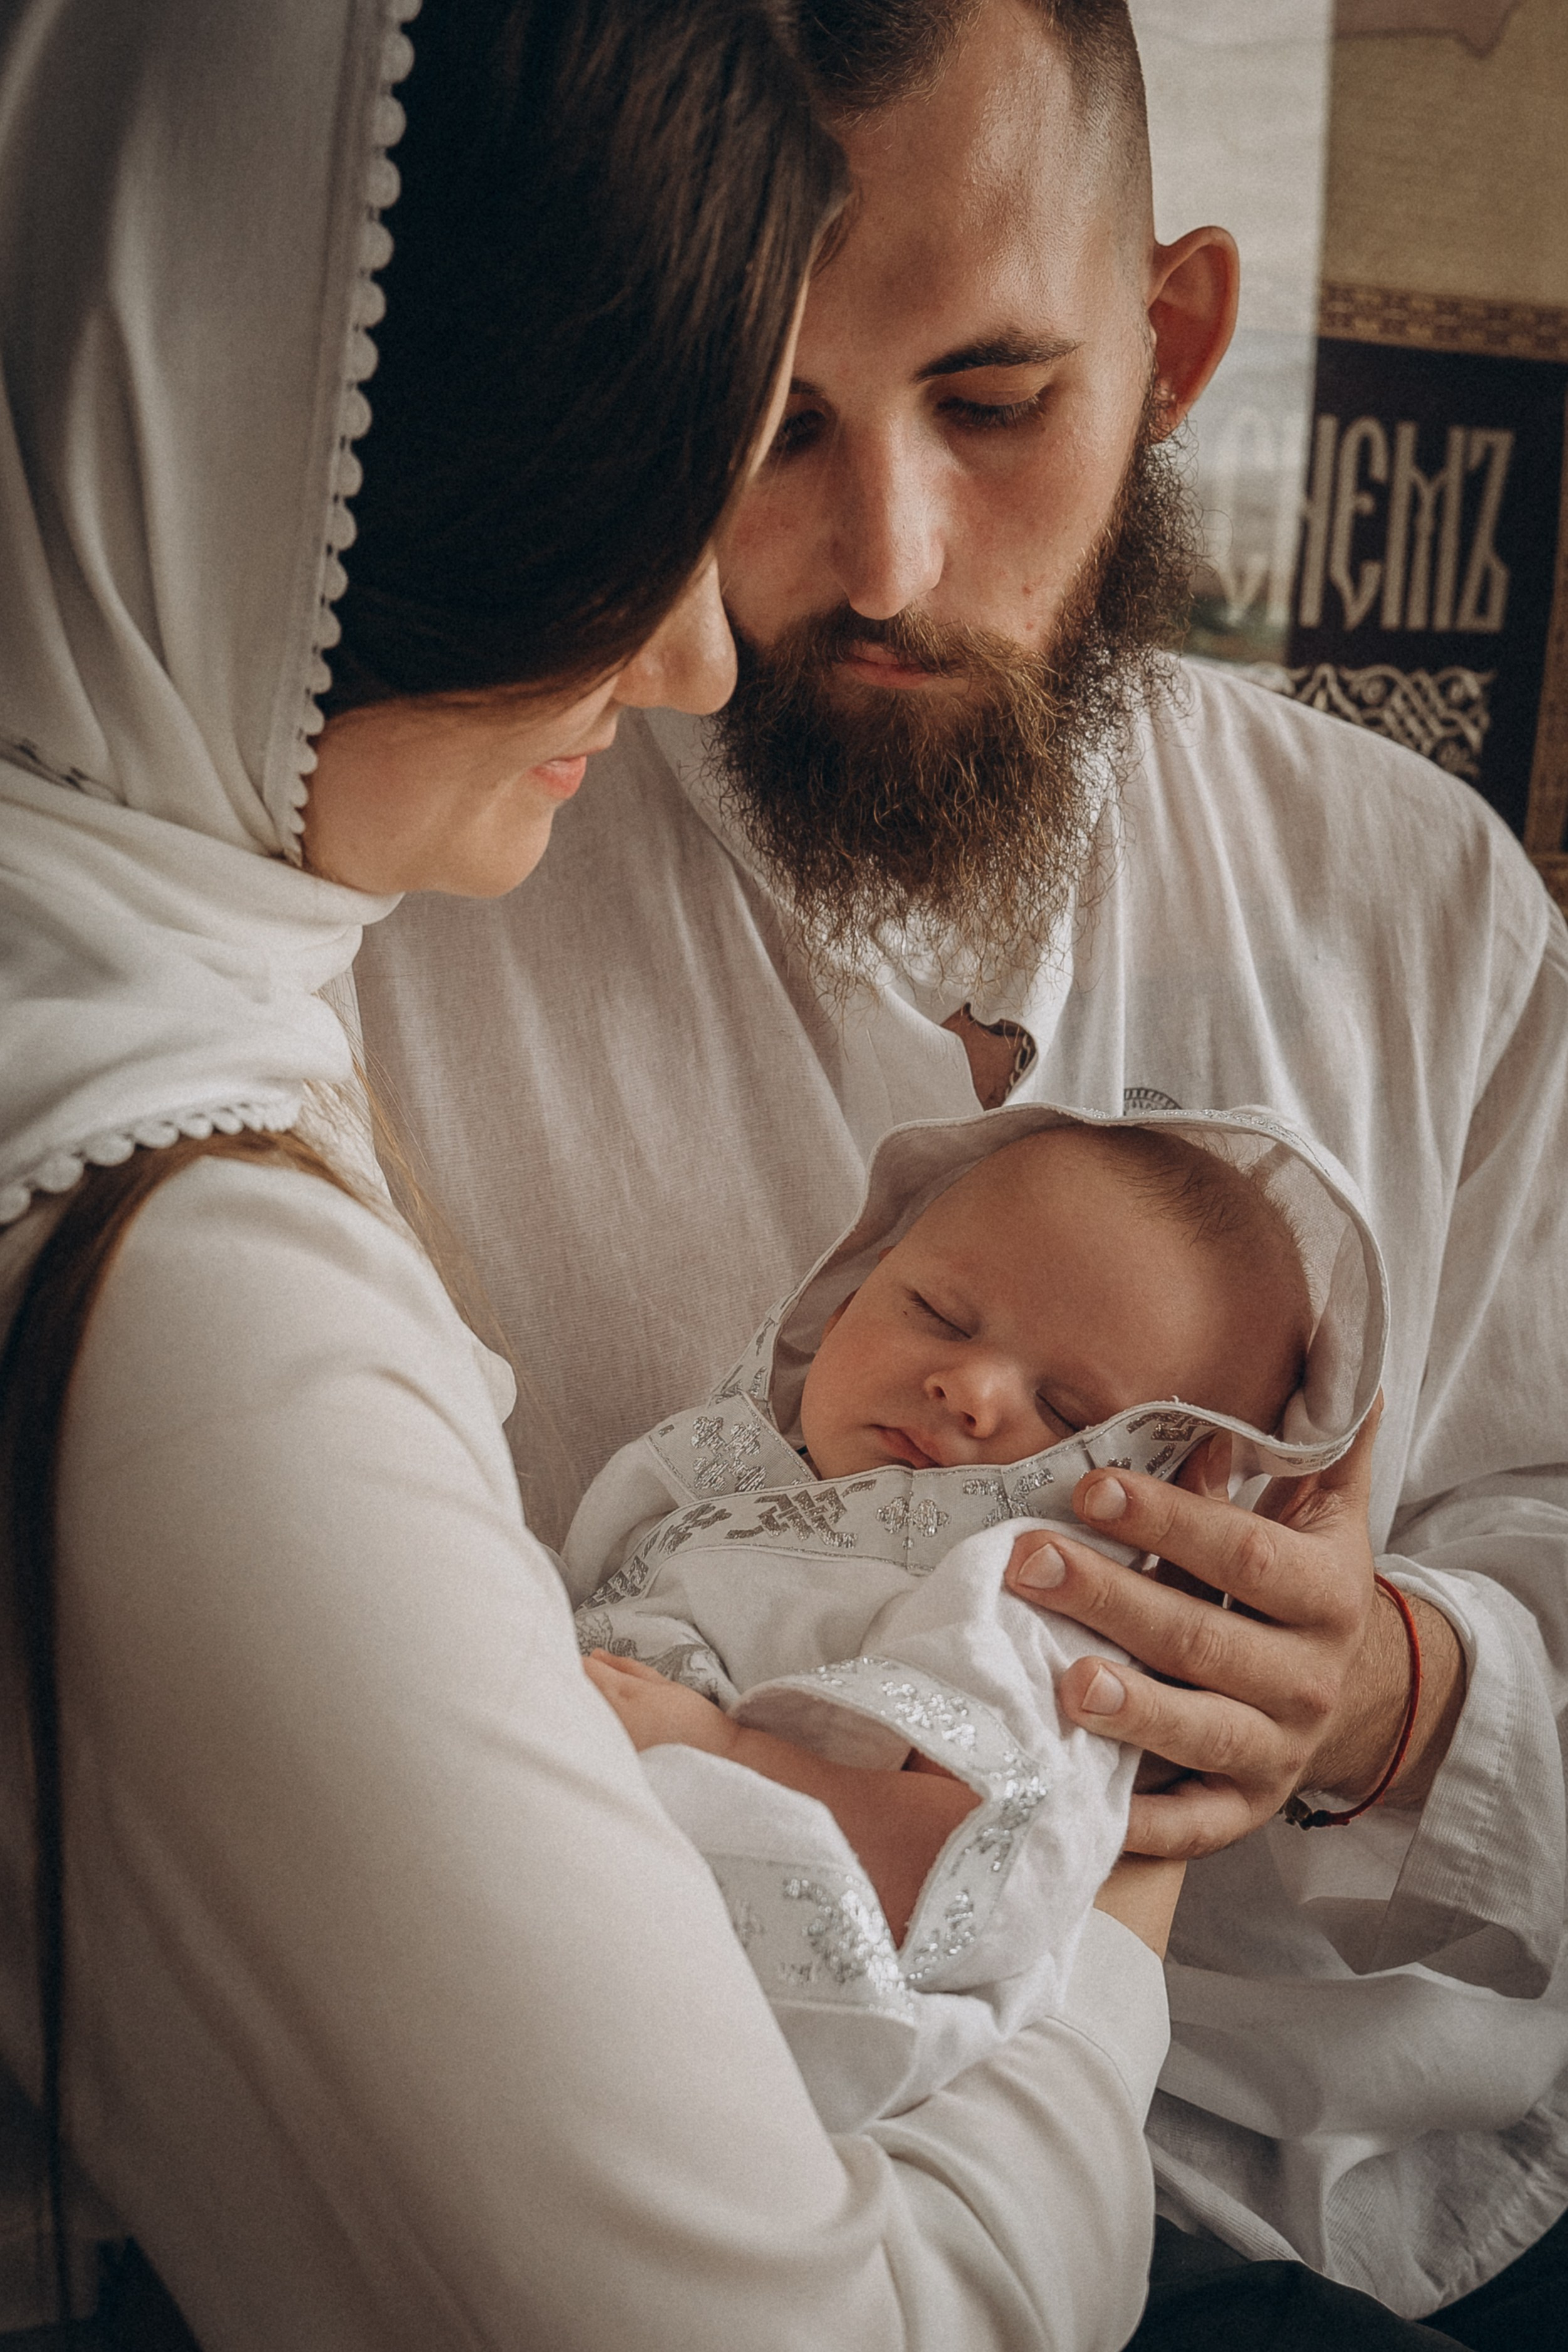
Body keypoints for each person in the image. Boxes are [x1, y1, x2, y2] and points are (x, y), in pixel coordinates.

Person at [353, 0, 1568, 2343]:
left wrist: (1393, 1694)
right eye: (768, 420)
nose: (888, 548)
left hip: (1389, 2213)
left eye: (996, 404)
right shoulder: (424, 904)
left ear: (1174, 341)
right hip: (740, 2222)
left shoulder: (1430, 906)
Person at [0, 5, 1182, 2350]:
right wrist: (1117, 1890)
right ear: (265, 468)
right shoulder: (197, 1298)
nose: (685, 653)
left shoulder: (151, 1004)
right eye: (610, 516)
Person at [575, 1103, 1384, 2139]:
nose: (970, 1387)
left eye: (1068, 1411)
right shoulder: (741, 1482)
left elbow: (964, 1864)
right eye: (941, 1315)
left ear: (1162, 1494)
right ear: (848, 1285)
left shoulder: (1026, 1602)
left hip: (762, 2069)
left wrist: (722, 1745)